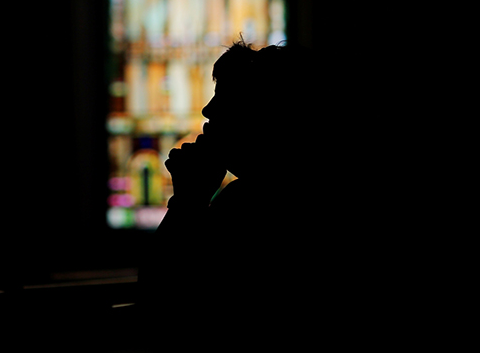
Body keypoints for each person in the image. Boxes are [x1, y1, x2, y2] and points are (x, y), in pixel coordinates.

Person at [136, 39, 336, 343]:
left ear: (267, 115)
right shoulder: (258, 194)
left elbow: (161, 307)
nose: (208, 110)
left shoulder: (252, 205)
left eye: (226, 99)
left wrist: (188, 200)